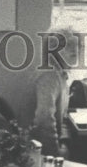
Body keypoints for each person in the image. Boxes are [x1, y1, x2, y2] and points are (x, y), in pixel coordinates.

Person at [30, 26, 82, 158]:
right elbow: (43, 122)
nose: (74, 49)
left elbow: (62, 117)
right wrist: (57, 153)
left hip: (48, 146)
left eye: (76, 44)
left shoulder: (61, 75)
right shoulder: (49, 75)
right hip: (34, 151)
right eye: (67, 45)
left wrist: (64, 142)